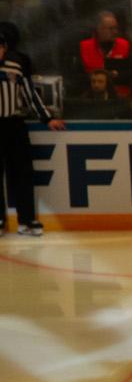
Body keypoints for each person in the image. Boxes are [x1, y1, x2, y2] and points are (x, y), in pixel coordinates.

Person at [0, 23, 65, 236]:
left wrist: (47, 119)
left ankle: (27, 220)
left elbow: (30, 93)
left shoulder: (16, 63)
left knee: (22, 173)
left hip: (14, 124)